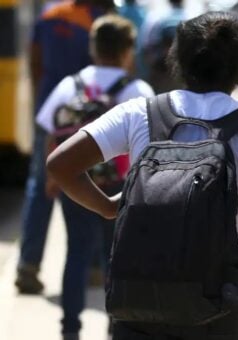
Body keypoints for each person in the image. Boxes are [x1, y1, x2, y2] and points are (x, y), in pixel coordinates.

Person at [46, 11, 238, 340]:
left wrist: (109, 207)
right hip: (215, 301)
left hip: (138, 296)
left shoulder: (138, 112)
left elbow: (60, 164)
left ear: (177, 60)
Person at [35, 14, 154, 340]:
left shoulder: (69, 85)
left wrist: (53, 179)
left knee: (76, 253)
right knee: (116, 259)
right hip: (120, 186)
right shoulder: (137, 89)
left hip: (76, 183)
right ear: (128, 50)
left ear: (93, 48)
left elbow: (52, 134)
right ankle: (115, 327)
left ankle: (70, 329)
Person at [16, 0, 115, 295]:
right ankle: (95, 267)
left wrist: (41, 104)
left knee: (39, 187)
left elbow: (34, 63)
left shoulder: (50, 16)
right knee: (98, 183)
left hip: (50, 113)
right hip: (86, 120)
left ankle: (28, 265)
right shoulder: (99, 21)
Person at [139, 0, 185, 93]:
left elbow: (145, 45)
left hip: (160, 69)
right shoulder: (192, 16)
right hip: (181, 67)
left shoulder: (156, 17)